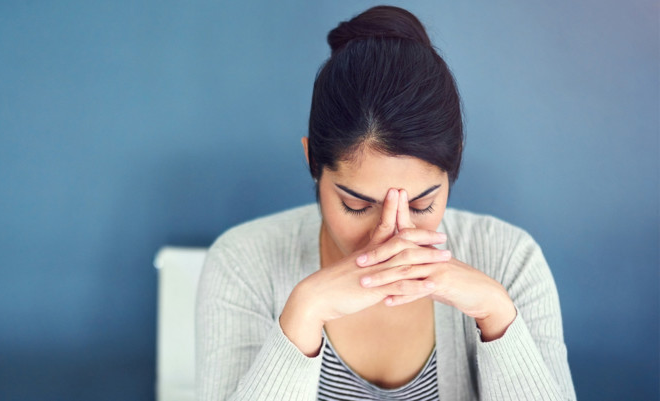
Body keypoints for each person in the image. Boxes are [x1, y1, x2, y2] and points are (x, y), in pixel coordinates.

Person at [195, 5, 576, 401]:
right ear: (312, 161)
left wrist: (498, 317)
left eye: (422, 204)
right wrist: (303, 314)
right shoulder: (241, 264)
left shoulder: (510, 261)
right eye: (357, 205)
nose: (392, 234)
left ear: (454, 165)